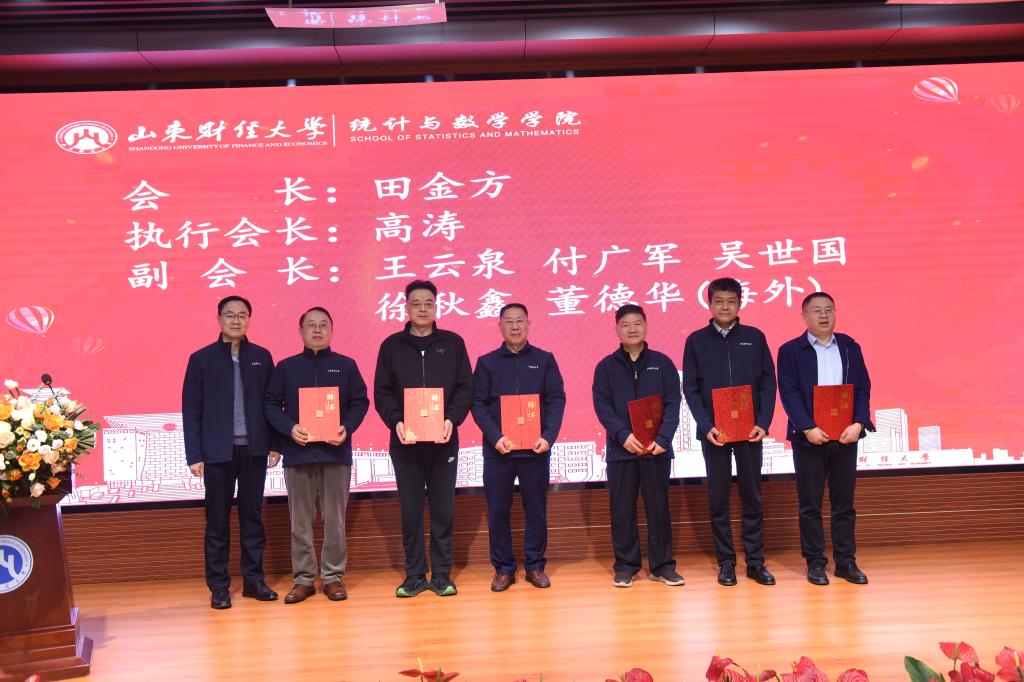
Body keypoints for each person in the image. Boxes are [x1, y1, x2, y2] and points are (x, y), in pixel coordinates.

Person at [373, 280, 473, 598]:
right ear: (405, 308)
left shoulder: (453, 343)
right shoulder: (391, 346)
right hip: (406, 441)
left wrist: (451, 418)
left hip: (444, 439)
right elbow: (382, 392)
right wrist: (397, 421)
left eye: (428, 303)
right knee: (411, 511)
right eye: (416, 303)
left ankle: (441, 575)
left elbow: (465, 387)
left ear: (436, 306)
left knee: (443, 510)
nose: (422, 308)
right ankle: (415, 575)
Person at [264, 306, 369, 603]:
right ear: (300, 331)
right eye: (311, 325)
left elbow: (360, 402)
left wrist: (346, 427)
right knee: (300, 521)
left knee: (335, 520)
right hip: (298, 454)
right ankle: (304, 579)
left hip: (335, 454)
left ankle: (333, 577)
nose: (318, 329)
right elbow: (270, 403)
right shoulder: (286, 367)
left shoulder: (346, 365)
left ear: (332, 330)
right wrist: (289, 428)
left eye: (324, 324)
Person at [182, 295, 280, 610]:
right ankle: (219, 586)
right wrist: (194, 454)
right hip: (216, 453)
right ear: (219, 319)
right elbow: (191, 410)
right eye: (229, 315)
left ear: (249, 319)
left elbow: (272, 404)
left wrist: (275, 443)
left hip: (254, 451)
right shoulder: (202, 359)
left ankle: (254, 581)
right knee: (217, 521)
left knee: (252, 517)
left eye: (242, 315)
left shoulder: (262, 357)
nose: (236, 320)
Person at [682, 277, 777, 587]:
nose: (725, 307)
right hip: (716, 433)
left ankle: (756, 563)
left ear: (740, 304)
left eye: (731, 301)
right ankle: (726, 563)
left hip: (750, 431)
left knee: (752, 497)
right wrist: (706, 425)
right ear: (709, 304)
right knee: (718, 499)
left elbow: (768, 382)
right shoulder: (696, 341)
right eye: (719, 301)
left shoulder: (755, 337)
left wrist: (763, 422)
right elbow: (690, 388)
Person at [777, 292, 874, 585]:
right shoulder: (790, 351)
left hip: (845, 436)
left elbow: (863, 388)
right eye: (816, 310)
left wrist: (859, 423)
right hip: (810, 437)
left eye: (829, 310)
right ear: (804, 316)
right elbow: (789, 392)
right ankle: (815, 563)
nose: (823, 315)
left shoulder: (849, 346)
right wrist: (807, 427)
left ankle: (846, 562)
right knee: (810, 504)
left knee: (844, 503)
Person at [471, 303, 566, 591]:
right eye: (509, 322)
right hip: (498, 450)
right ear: (499, 326)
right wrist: (495, 436)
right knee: (498, 510)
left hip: (535, 450)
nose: (515, 327)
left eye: (520, 321)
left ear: (529, 324)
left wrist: (548, 436)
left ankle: (535, 566)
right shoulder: (486, 363)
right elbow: (478, 404)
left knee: (536, 509)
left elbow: (556, 399)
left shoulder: (545, 360)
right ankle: (503, 569)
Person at [592, 304, 683, 588]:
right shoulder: (606, 367)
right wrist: (622, 435)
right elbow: (602, 406)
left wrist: (663, 440)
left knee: (659, 509)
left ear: (646, 326)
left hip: (656, 450)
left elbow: (673, 403)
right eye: (626, 325)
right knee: (622, 511)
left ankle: (662, 566)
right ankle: (625, 566)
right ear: (617, 330)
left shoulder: (663, 363)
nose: (632, 329)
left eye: (637, 324)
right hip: (622, 451)